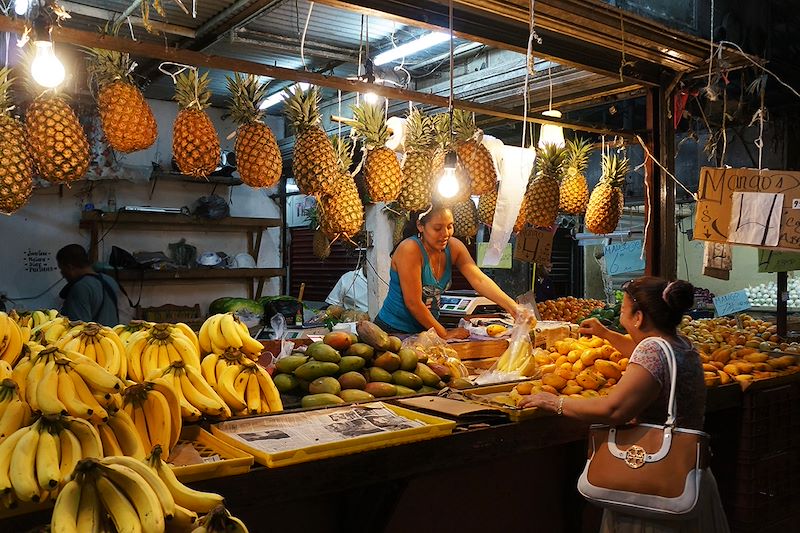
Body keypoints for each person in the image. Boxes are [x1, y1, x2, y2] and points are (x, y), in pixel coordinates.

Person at [519, 277, 729, 532]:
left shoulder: (652, 350)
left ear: (638, 317)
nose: (620, 316)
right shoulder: (680, 344)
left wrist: (556, 402)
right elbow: (643, 353)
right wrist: (605, 333)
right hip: (685, 474)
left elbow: (614, 410)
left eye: (622, 310)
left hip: (651, 479)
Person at [375, 204, 518, 339]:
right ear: (420, 226)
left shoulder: (454, 247)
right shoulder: (410, 249)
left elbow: (479, 279)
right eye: (437, 228)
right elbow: (413, 302)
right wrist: (444, 333)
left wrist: (514, 308)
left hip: (425, 332)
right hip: (391, 331)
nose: (445, 234)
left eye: (450, 226)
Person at [56, 244, 120, 326]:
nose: (62, 275)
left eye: (62, 270)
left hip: (93, 338)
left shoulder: (80, 287)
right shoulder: (110, 281)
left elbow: (79, 327)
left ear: (70, 267)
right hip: (113, 336)